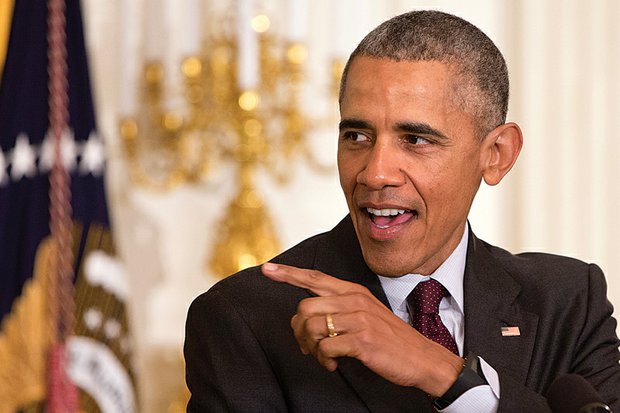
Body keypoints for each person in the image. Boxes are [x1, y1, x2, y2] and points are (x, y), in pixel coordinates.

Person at [184, 10, 620, 412]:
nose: (375, 174)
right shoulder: (245, 317)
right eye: (357, 136)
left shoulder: (568, 302)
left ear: (497, 154)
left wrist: (443, 373)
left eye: (415, 140)